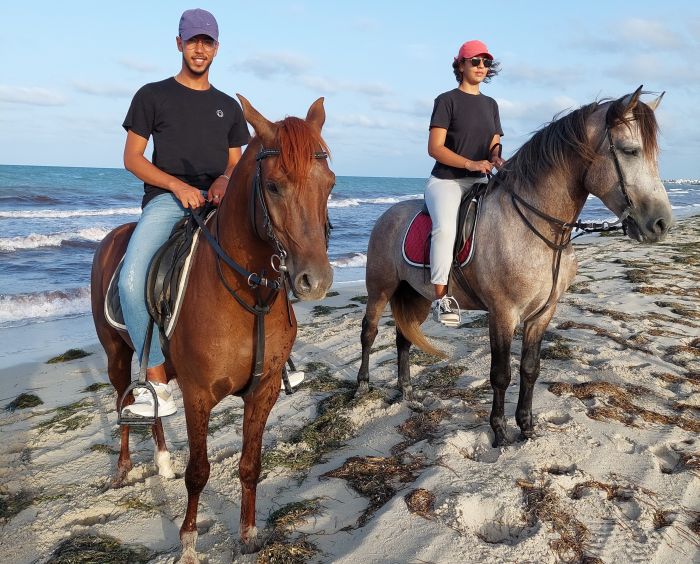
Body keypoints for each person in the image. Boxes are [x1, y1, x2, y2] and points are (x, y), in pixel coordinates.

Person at [119, 9, 250, 418]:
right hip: (167, 200)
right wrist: (176, 186)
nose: (199, 49)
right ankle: (156, 382)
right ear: (179, 43)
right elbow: (132, 158)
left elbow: (235, 162)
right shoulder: (152, 95)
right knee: (131, 280)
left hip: (218, 201)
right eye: (192, 40)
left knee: (269, 258)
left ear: (217, 48)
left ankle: (279, 361)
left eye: (207, 42)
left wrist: (226, 181)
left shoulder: (228, 106)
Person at [425, 40, 506, 327]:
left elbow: (493, 144)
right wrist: (470, 164)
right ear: (460, 64)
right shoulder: (447, 100)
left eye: (485, 62)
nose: (481, 67)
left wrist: (497, 159)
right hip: (447, 181)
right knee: (445, 229)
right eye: (475, 61)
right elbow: (435, 147)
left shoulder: (491, 104)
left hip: (480, 182)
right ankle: (440, 298)